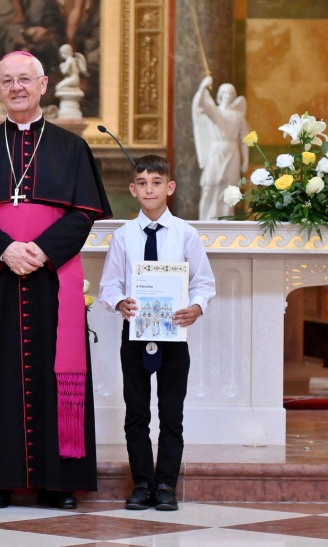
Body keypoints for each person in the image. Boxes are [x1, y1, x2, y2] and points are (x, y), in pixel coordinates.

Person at [0, 51, 112, 510]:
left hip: (52, 275)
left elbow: (84, 213)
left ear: (43, 84)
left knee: (56, 373)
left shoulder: (71, 147)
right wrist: (5, 249)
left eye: (24, 79)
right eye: (7, 81)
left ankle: (58, 482)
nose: (16, 87)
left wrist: (42, 250)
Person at [98, 155, 215, 511]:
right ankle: (142, 484)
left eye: (157, 182)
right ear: (133, 190)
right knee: (136, 413)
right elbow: (109, 285)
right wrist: (120, 302)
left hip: (173, 336)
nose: (150, 189)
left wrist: (196, 307)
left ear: (170, 187)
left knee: (171, 414)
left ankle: (165, 485)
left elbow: (204, 282)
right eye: (142, 183)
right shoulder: (123, 236)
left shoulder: (185, 234)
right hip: (135, 335)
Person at [192, 75, 249, 220]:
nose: (228, 96)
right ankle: (206, 218)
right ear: (220, 95)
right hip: (217, 150)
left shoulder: (238, 115)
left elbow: (245, 139)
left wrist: (246, 160)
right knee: (210, 184)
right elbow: (199, 105)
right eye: (225, 93)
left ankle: (226, 217)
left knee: (230, 187)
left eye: (231, 93)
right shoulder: (215, 111)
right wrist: (202, 87)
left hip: (233, 151)